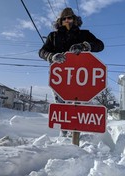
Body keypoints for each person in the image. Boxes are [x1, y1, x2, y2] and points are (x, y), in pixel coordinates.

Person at [39, 7, 104, 137]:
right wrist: (52, 56)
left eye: (70, 18)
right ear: (60, 21)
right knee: (62, 106)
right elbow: (42, 52)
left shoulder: (84, 34)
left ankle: (76, 135)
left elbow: (100, 45)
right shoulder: (53, 36)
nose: (67, 20)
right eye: (64, 18)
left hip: (81, 76)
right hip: (60, 77)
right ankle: (64, 135)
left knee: (78, 105)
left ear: (75, 20)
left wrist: (84, 46)